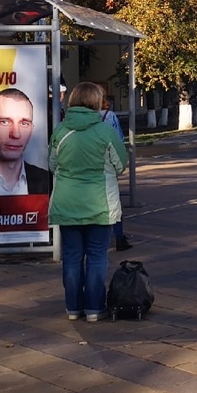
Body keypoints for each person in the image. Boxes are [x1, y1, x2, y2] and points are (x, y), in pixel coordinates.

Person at [48, 82, 130, 322]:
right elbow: (121, 164)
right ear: (96, 102)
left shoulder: (60, 131)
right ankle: (94, 309)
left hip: (66, 203)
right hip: (99, 204)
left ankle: (73, 308)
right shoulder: (105, 131)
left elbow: (52, 164)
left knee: (72, 256)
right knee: (96, 256)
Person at [100, 96, 132, 252]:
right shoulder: (109, 116)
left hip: (78, 180)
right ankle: (119, 238)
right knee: (113, 206)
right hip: (106, 171)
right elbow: (119, 139)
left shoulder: (67, 124)